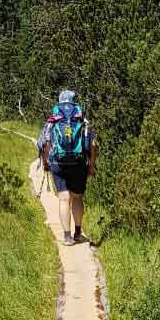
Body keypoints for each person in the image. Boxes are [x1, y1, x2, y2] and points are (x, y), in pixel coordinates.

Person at [39, 88, 96, 245]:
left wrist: (45, 163)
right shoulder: (82, 120)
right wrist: (91, 165)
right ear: (74, 102)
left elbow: (44, 144)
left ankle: (67, 237)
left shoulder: (52, 121)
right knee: (77, 198)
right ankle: (78, 233)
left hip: (58, 163)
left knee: (64, 199)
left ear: (59, 102)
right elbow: (93, 144)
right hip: (79, 163)